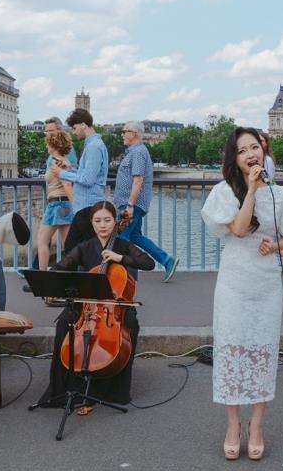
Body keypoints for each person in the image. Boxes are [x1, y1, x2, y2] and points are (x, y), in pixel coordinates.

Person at [201, 127, 283, 461]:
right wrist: (250, 190)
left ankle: (257, 424)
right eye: (242, 150)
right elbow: (236, 228)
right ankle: (233, 425)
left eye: (255, 147)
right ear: (233, 159)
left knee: (262, 353)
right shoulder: (224, 192)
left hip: (266, 284)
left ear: (263, 151)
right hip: (234, 282)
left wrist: (274, 245)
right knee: (232, 351)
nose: (251, 154)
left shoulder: (282, 196)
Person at [34, 201, 155, 413]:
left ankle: (114, 390)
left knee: (130, 324)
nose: (103, 225)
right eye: (97, 221)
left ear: (115, 222)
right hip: (88, 305)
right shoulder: (85, 247)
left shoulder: (123, 245)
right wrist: (51, 280)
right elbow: (62, 266)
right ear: (92, 223)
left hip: (117, 306)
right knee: (64, 323)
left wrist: (121, 258)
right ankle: (66, 388)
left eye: (107, 220)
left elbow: (149, 263)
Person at [114, 121, 179, 282]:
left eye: (124, 131)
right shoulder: (135, 152)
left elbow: (138, 180)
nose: (122, 134)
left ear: (134, 133)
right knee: (135, 237)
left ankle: (118, 275)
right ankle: (166, 260)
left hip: (131, 205)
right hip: (132, 205)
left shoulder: (137, 152)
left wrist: (129, 206)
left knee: (120, 239)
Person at [29, 128, 75, 304]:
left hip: (56, 203)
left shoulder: (57, 163)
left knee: (42, 241)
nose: (46, 146)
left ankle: (43, 282)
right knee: (68, 246)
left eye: (48, 143)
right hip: (64, 205)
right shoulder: (64, 161)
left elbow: (66, 183)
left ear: (53, 144)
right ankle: (68, 284)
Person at [56, 108, 109, 251]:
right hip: (86, 206)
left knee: (79, 249)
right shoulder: (93, 145)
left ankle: (94, 273)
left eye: (74, 128)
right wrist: (69, 169)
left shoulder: (93, 147)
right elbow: (86, 174)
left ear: (83, 125)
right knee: (76, 248)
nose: (74, 132)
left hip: (88, 206)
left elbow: (87, 179)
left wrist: (62, 174)